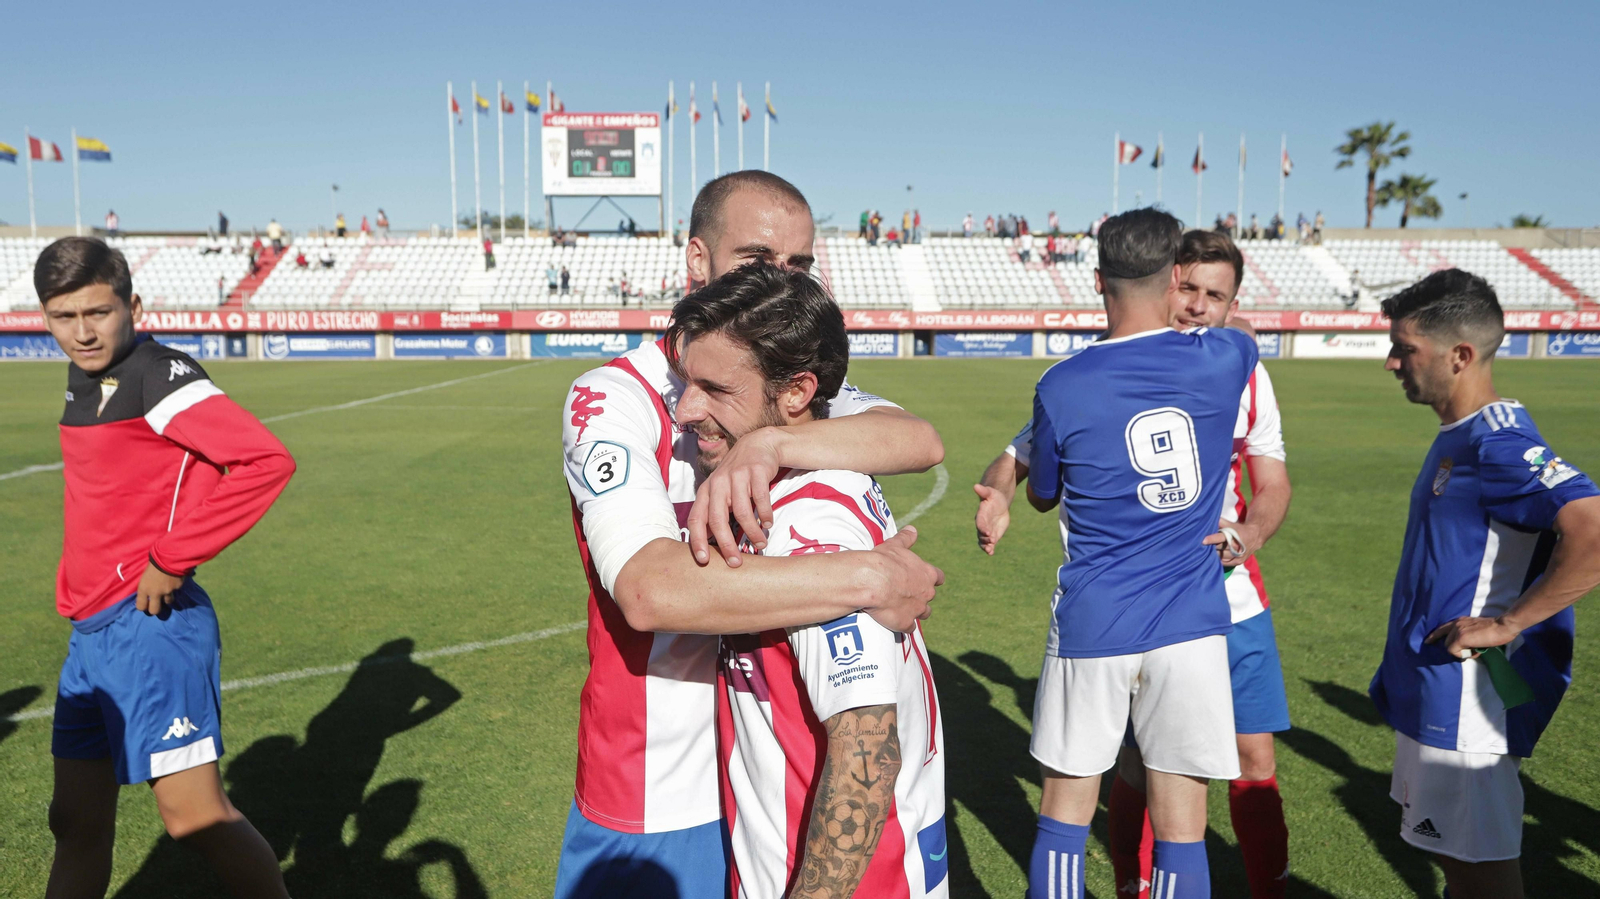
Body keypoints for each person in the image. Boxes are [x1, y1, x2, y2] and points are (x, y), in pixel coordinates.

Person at [552, 169, 945, 899]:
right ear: (698, 263)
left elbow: (918, 438)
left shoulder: (776, 376)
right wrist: (869, 576)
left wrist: (773, 447)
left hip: (768, 765)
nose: (787, 283)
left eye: (801, 267)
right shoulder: (615, 397)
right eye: (761, 262)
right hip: (657, 780)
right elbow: (650, 588)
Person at [975, 229, 1294, 899]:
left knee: (1065, 811)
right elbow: (1015, 462)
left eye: (1217, 295)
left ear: (1099, 280)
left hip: (1114, 616)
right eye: (1191, 288)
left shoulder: (1064, 382)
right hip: (1191, 618)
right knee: (1178, 816)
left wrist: (1011, 495)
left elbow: (1042, 489)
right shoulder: (1231, 358)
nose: (1202, 305)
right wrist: (1000, 486)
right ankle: (1130, 881)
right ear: (1170, 278)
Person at [667, 263, 947, 898]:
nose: (686, 409)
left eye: (715, 388)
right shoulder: (815, 471)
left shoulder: (807, 521)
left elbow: (867, 759)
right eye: (687, 383)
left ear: (796, 393)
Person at [34, 237, 296, 899]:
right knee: (74, 819)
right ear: (45, 318)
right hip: (89, 633)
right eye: (65, 317)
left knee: (194, 817)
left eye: (98, 312)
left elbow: (263, 461)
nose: (83, 332)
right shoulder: (83, 376)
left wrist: (171, 555)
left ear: (134, 305)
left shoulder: (160, 374)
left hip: (151, 625)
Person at [1371, 269, 1600, 899]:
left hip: (1469, 703)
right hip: (1432, 689)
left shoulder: (1498, 442)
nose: (1392, 363)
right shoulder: (1462, 436)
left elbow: (1593, 528)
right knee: (1458, 867)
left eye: (1405, 348)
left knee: (1484, 874)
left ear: (1461, 355)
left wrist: (1509, 623)